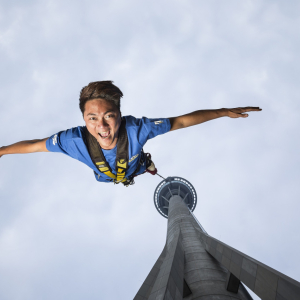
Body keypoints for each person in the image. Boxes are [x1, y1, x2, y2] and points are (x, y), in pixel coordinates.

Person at [0, 81, 261, 186]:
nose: (101, 126)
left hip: (133, 165)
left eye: (109, 116)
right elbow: (35, 145)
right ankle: (139, 167)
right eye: (92, 119)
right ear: (83, 119)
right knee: (108, 176)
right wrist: (1, 151)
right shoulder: (72, 140)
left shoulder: (138, 129)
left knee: (139, 166)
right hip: (106, 175)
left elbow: (180, 121)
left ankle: (145, 164)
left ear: (120, 116)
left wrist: (224, 111)